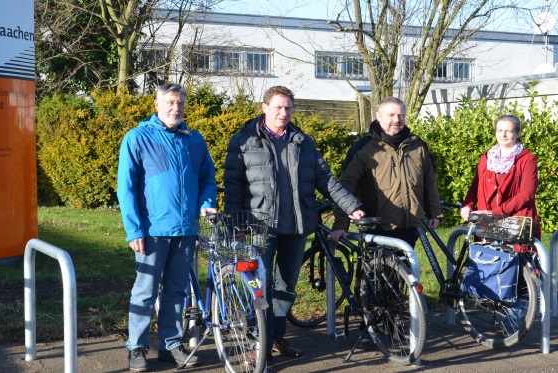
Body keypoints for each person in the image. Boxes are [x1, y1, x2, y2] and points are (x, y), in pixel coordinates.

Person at [223, 85, 365, 361]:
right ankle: (257, 343)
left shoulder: (303, 141)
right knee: (259, 288)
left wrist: (352, 207)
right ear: (264, 108)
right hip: (258, 227)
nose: (283, 112)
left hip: (297, 226)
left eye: (288, 107)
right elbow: (233, 187)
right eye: (278, 107)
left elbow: (326, 179)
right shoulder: (244, 140)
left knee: (286, 288)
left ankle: (276, 337)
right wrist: (234, 226)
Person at [117, 83, 217, 372]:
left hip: (186, 229)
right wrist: (134, 229)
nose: (176, 108)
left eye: (181, 104)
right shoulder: (138, 138)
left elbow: (207, 179)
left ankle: (170, 344)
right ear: (157, 104)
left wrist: (207, 202)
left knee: (176, 290)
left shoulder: (194, 140)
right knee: (145, 290)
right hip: (152, 230)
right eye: (171, 103)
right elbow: (126, 188)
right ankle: (136, 347)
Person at [331, 97, 442, 247]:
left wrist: (434, 213)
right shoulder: (363, 148)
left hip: (410, 226)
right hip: (378, 227)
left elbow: (429, 181)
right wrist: (340, 225)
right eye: (391, 115)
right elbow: (346, 186)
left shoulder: (418, 145)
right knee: (378, 270)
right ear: (378, 116)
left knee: (407, 269)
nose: (397, 119)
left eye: (401, 115)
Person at [459, 114, 540, 239]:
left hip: (515, 223)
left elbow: (526, 194)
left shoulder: (527, 160)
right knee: (485, 257)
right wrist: (468, 205)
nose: (503, 135)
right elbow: (475, 186)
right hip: (487, 221)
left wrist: (495, 213)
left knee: (516, 258)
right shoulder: (486, 158)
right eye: (500, 130)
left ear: (517, 133)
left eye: (508, 131)